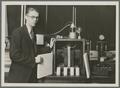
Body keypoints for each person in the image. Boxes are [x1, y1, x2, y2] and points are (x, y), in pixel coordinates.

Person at [7, 7, 40, 83]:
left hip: (31, 76)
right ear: (26, 17)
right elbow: (14, 55)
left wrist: (49, 47)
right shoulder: (18, 33)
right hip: (19, 77)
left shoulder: (33, 34)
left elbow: (32, 51)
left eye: (37, 17)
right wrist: (34, 60)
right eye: (32, 17)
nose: (35, 19)